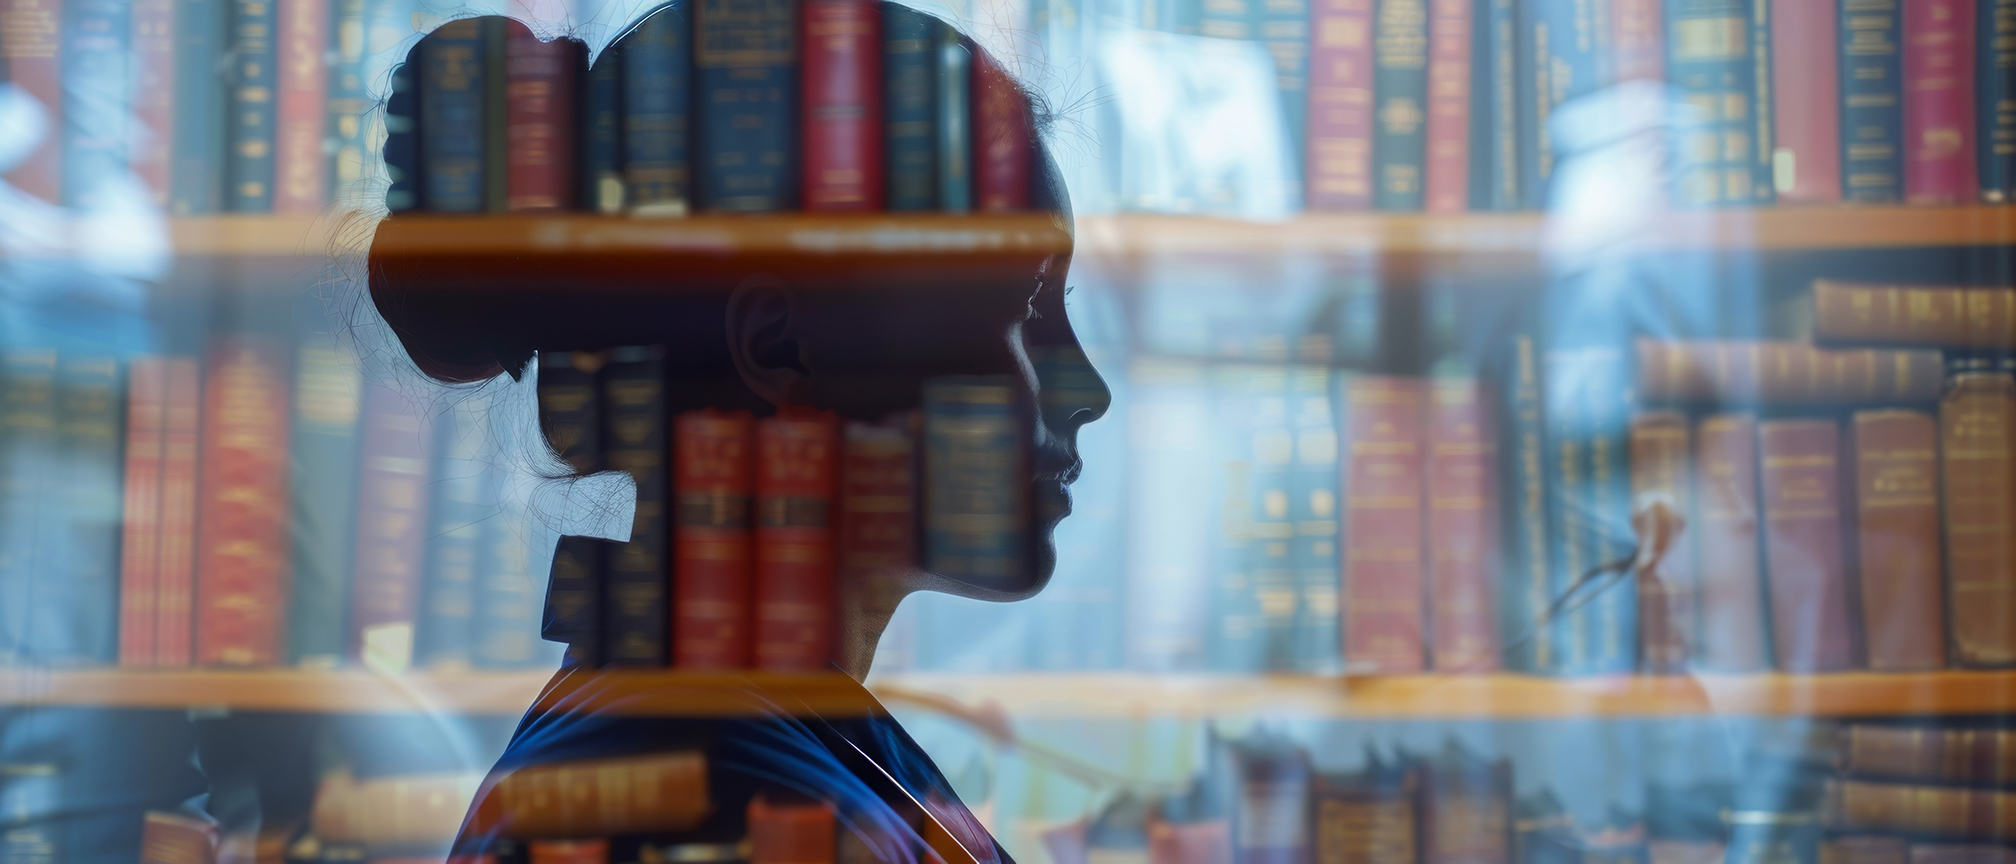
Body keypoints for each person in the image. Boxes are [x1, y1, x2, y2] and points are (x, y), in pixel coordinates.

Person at [363, 5, 1109, 862]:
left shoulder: (759, 745)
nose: (1088, 391)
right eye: (1025, 305)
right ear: (779, 347)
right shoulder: (716, 801)